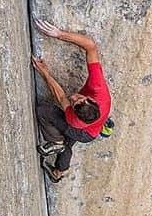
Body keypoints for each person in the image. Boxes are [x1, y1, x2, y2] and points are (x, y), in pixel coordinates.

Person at [32, 20, 113, 181]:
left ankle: (55, 141)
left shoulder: (74, 120)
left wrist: (45, 73)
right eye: (81, 98)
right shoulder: (99, 89)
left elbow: (61, 96)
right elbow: (90, 46)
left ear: (75, 113)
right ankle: (58, 172)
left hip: (84, 132)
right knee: (68, 145)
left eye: (74, 103)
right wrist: (59, 34)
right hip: (92, 131)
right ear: (92, 100)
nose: (74, 97)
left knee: (44, 111)